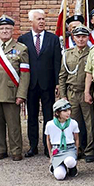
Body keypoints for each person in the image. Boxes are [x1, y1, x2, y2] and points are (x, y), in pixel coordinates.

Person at [18, 9, 62, 158]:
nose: (42, 21)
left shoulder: (53, 39)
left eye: (43, 19)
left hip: (47, 83)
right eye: (38, 19)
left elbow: (57, 62)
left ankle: (47, 145)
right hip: (30, 84)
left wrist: (57, 83)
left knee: (49, 116)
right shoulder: (23, 39)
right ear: (31, 22)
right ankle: (33, 146)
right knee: (32, 116)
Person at [0, 15, 30, 161]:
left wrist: (21, 94)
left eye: (7, 28)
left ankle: (16, 150)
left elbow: (25, 74)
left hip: (11, 92)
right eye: (2, 28)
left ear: (12, 30)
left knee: (13, 125)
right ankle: (0, 150)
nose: (5, 31)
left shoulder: (20, 48)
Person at [59, 25, 94, 162]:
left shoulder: (93, 52)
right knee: (73, 123)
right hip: (72, 93)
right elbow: (62, 76)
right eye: (78, 37)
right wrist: (63, 96)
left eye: (84, 36)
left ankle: (90, 150)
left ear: (88, 37)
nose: (81, 39)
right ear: (73, 38)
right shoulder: (67, 53)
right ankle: (76, 148)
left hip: (87, 92)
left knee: (90, 123)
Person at [45, 99, 80, 180]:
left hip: (69, 148)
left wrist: (76, 153)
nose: (68, 113)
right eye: (65, 111)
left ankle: (72, 168)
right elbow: (48, 140)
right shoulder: (50, 124)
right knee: (59, 176)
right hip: (57, 150)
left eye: (69, 110)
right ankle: (56, 166)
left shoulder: (73, 123)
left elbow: (76, 139)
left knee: (70, 161)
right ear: (57, 113)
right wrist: (51, 155)